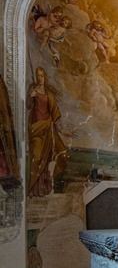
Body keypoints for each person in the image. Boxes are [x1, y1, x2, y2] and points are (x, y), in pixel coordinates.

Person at [27, 67, 71, 197]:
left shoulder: (49, 95)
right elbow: (28, 106)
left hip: (48, 129)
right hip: (36, 129)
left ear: (45, 77)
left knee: (46, 160)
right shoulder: (32, 90)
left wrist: (63, 131)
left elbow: (55, 115)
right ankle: (33, 189)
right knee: (36, 157)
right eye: (37, 75)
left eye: (41, 75)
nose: (39, 77)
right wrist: (31, 96)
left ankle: (43, 189)